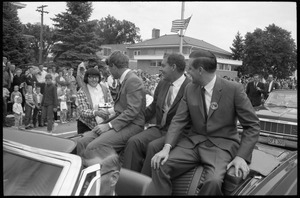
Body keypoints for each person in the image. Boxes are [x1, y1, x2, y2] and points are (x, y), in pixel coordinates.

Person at [146, 49, 260, 195]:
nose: (187, 72)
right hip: (192, 143)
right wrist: (166, 148)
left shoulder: (234, 89)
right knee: (159, 165)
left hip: (221, 146)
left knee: (213, 181)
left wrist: (241, 157)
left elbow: (252, 126)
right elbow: (179, 120)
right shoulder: (189, 88)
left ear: (200, 70)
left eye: (190, 69)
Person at [122, 53, 191, 177]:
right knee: (133, 142)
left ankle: (144, 187)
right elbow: (153, 107)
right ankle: (127, 182)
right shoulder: (162, 83)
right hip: (160, 129)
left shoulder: (190, 87)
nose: (160, 68)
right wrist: (136, 121)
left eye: (163, 65)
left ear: (173, 67)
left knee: (153, 146)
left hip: (179, 133)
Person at [76, 51, 146, 156]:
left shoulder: (132, 80)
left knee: (93, 147)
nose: (108, 71)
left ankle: (101, 172)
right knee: (83, 141)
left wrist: (108, 125)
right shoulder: (125, 80)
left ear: (113, 66)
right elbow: (121, 108)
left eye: (109, 67)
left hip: (132, 125)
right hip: (121, 121)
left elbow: (132, 111)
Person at [76, 68, 114, 134]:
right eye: (91, 77)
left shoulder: (105, 89)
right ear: (86, 78)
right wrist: (96, 112)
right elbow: (82, 111)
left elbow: (111, 103)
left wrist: (105, 110)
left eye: (96, 77)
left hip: (103, 123)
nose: (94, 79)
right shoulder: (82, 91)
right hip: (86, 125)